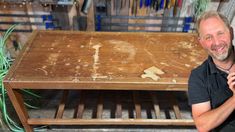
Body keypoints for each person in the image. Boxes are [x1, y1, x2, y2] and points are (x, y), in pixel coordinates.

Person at [188, 10, 235, 132]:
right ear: (201, 42)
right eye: (208, 37)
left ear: (231, 33)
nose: (217, 42)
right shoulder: (198, 76)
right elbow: (203, 125)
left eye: (220, 33)